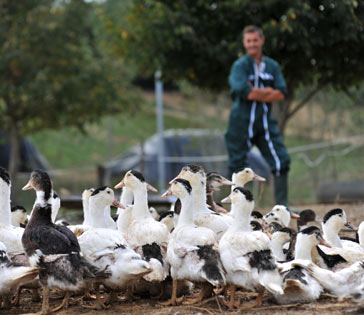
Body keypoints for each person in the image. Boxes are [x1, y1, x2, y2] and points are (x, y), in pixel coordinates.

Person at [225, 25, 291, 207]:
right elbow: (245, 93)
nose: (252, 44)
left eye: (255, 40)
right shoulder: (239, 66)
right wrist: (268, 91)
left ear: (262, 40)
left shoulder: (272, 66)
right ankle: (235, 207)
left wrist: (256, 90)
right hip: (241, 122)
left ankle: (282, 207)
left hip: (265, 123)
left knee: (281, 160)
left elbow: (281, 93)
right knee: (236, 166)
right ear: (244, 43)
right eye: (248, 41)